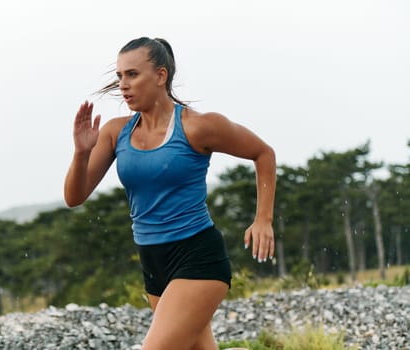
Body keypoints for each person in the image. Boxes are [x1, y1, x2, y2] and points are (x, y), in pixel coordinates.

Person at [64, 37, 276, 350]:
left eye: (133, 74)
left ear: (161, 76)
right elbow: (74, 197)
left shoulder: (197, 127)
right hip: (153, 260)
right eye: (120, 76)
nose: (123, 85)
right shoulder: (115, 132)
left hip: (197, 256)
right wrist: (81, 154)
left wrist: (263, 219)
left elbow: (263, 153)